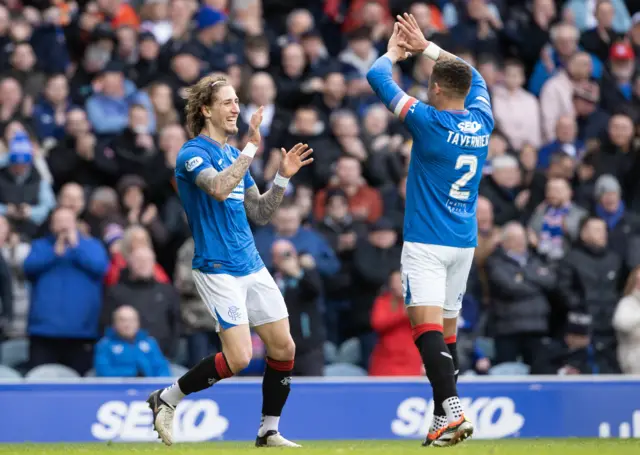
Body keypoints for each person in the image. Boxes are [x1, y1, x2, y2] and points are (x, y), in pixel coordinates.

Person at [147, 74, 313, 448]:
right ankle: (168, 398)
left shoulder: (232, 156)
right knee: (237, 358)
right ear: (206, 110)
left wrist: (282, 179)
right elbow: (220, 189)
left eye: (237, 100)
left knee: (284, 348)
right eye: (227, 102)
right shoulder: (192, 154)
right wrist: (251, 150)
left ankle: (268, 429)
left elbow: (259, 212)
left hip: (251, 264)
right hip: (217, 267)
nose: (236, 108)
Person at [366, 13, 494, 447]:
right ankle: (441, 418)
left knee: (425, 330)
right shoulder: (483, 119)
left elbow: (376, 75)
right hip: (464, 243)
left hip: (426, 243)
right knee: (448, 333)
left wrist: (395, 52)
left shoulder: (428, 121)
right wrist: (428, 48)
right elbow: (472, 73)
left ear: (436, 89)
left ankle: (454, 410)